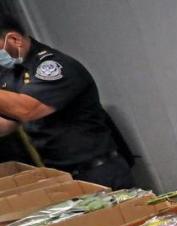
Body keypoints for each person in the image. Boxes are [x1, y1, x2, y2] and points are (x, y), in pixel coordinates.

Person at [0, 14, 135, 188]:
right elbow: (9, 122)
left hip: (99, 172)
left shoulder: (53, 66)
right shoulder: (13, 74)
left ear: (14, 39)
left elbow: (27, 110)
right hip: (63, 176)